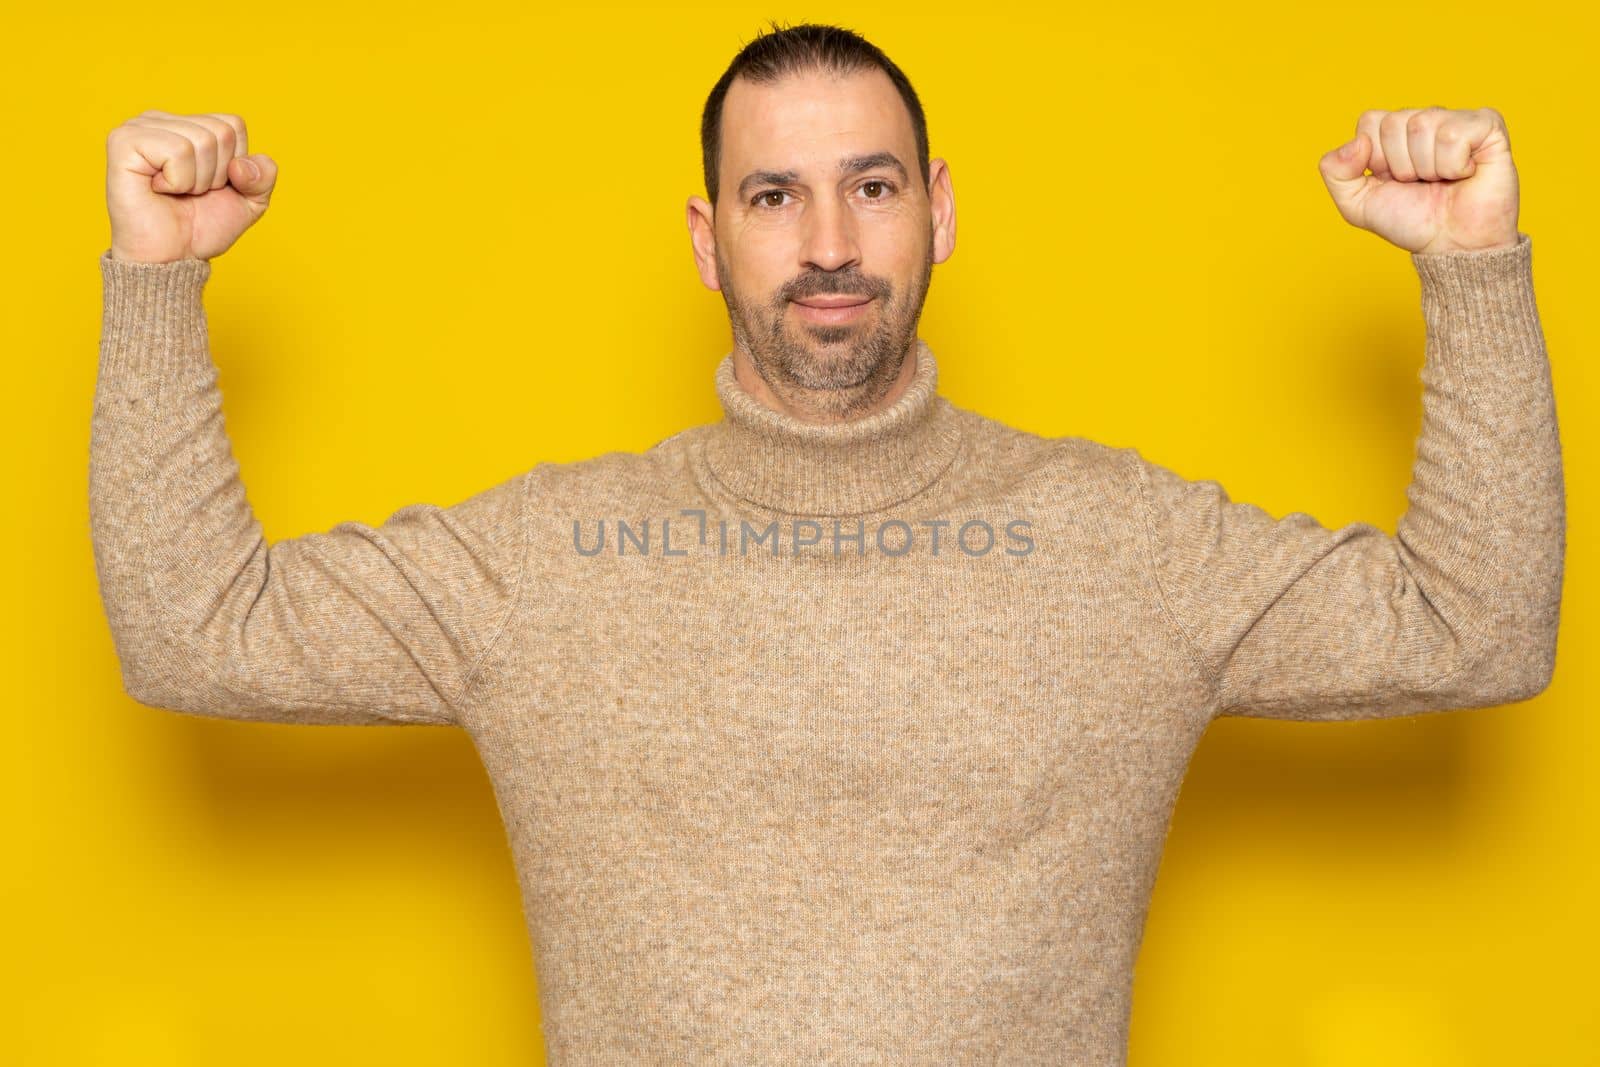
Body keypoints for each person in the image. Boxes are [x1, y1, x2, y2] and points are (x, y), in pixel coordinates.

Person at [89, 20, 1564, 1065]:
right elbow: (195, 632)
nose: (830, 244)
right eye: (774, 195)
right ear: (705, 237)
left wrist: (1472, 264)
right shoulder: (544, 565)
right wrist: (158, 279)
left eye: (872, 186)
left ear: (939, 213)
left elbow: (1474, 626)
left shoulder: (1126, 546)